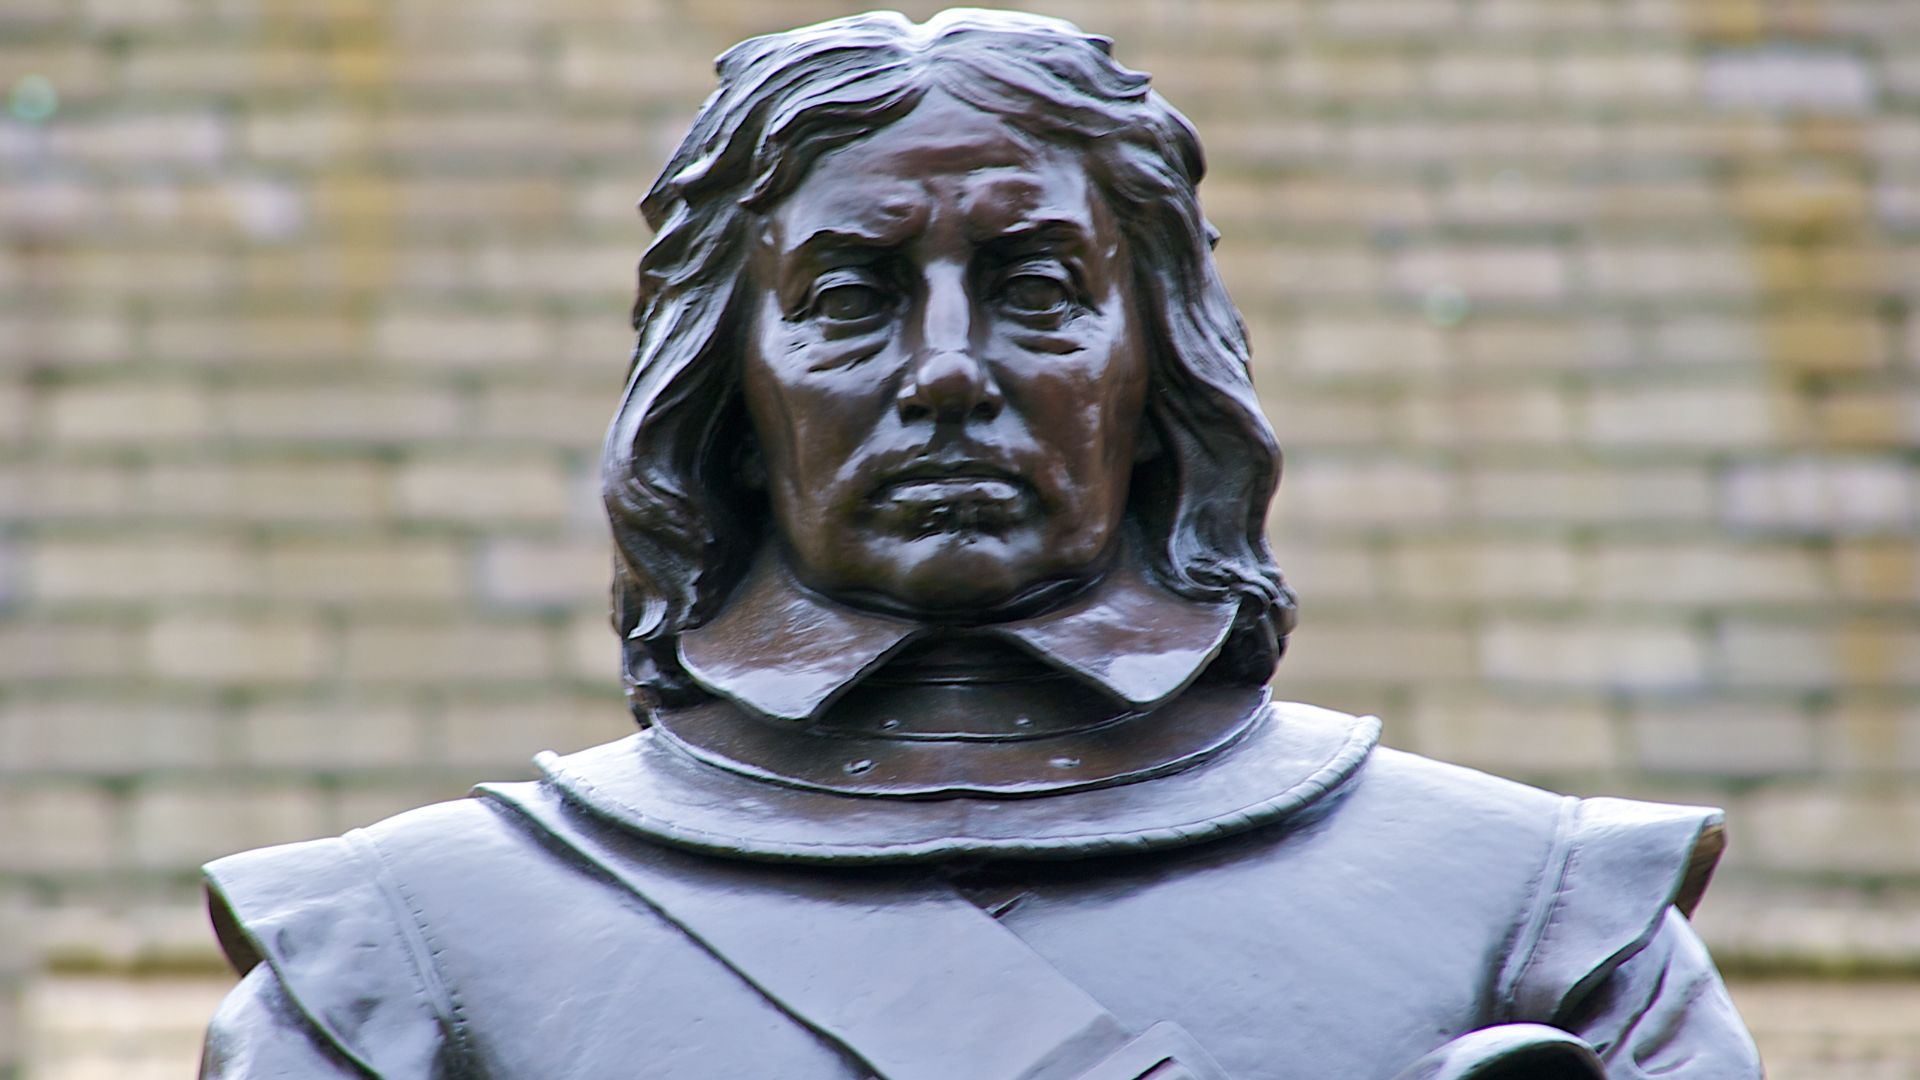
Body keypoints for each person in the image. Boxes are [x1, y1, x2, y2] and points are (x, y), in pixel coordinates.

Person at [198, 11, 1764, 1079]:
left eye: (1033, 291)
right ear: (725, 388)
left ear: (1156, 365)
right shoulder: (402, 966)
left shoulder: (1545, 928)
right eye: (850, 298)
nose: (948, 371)